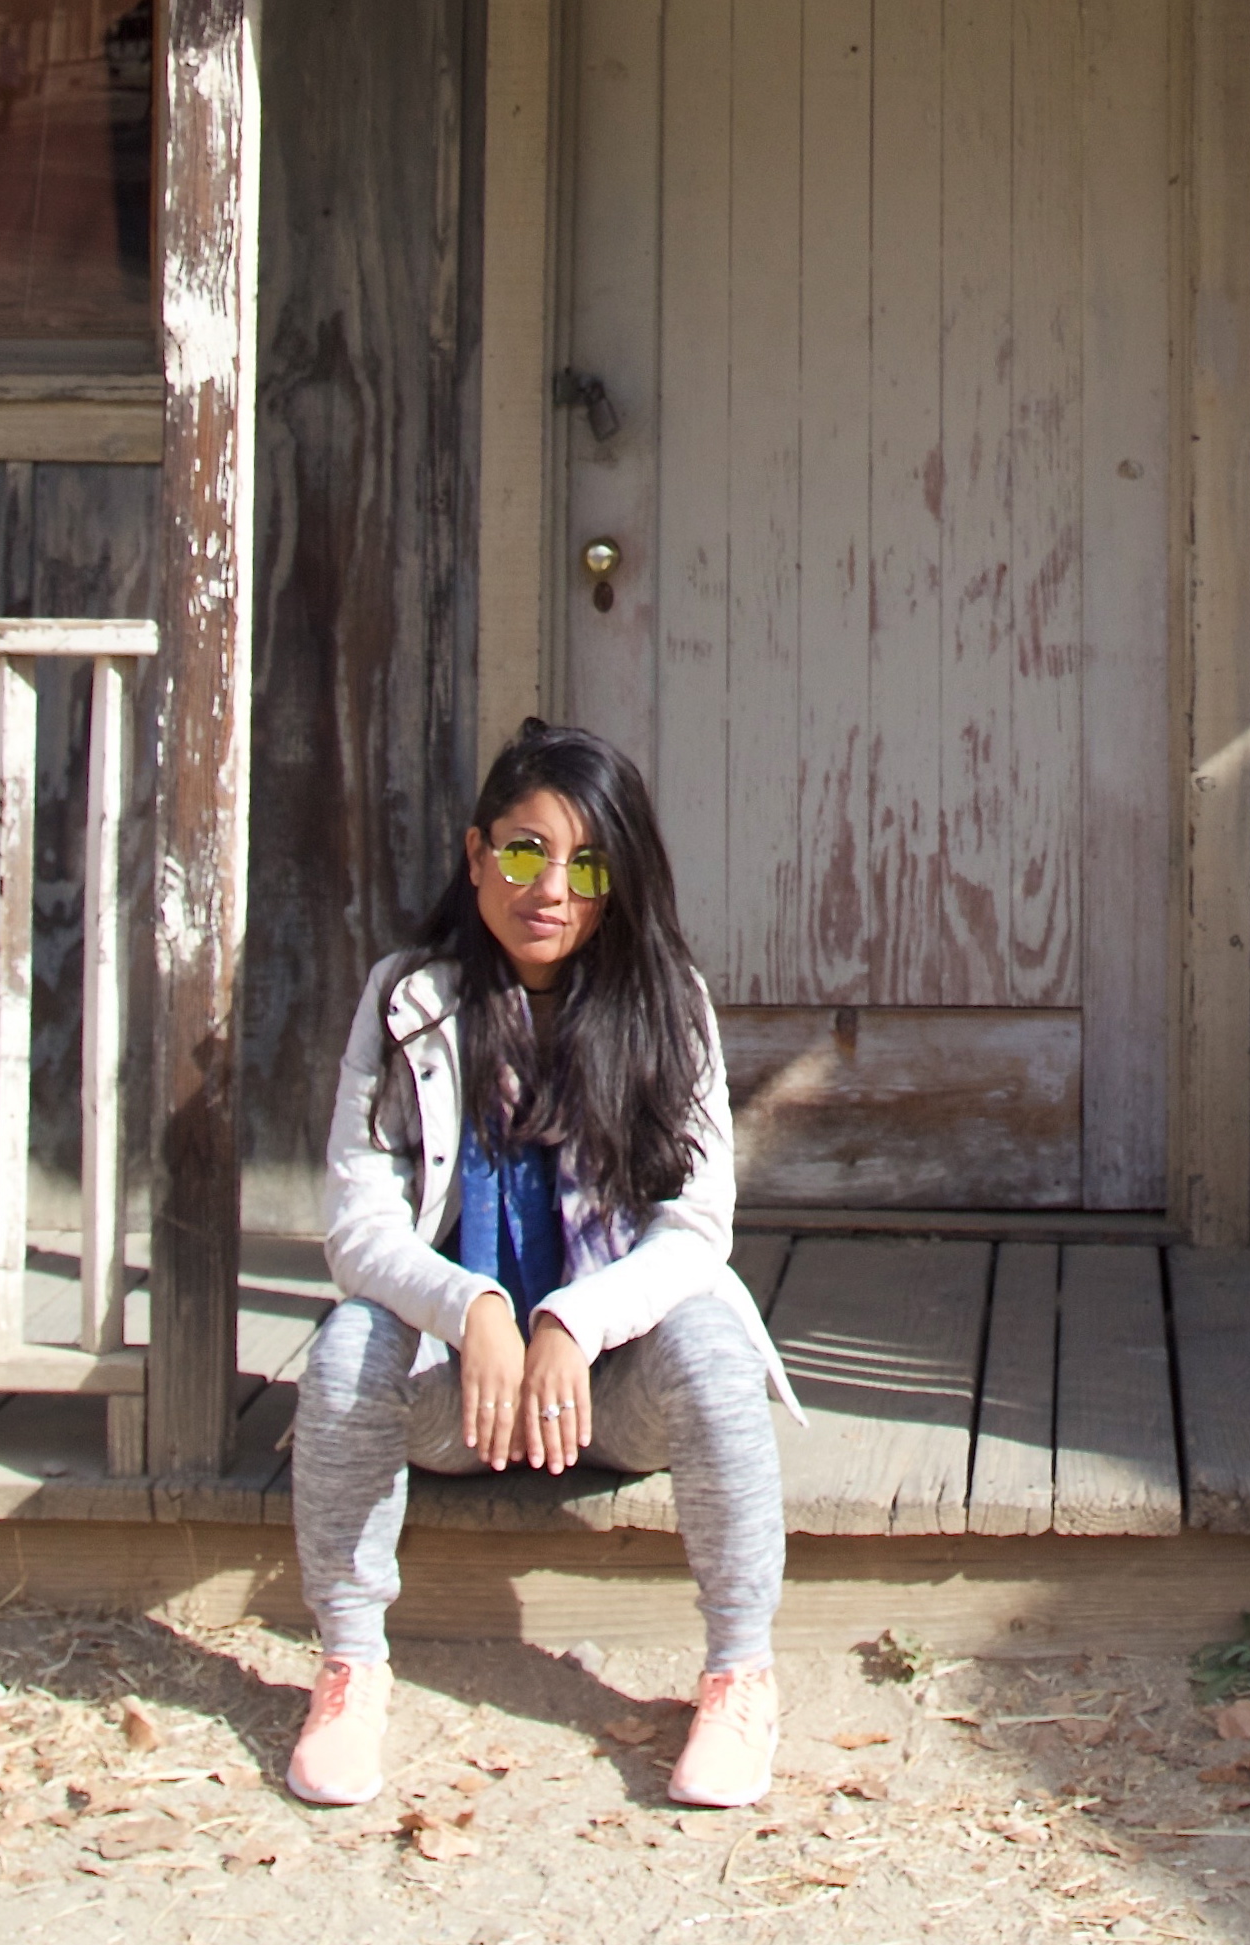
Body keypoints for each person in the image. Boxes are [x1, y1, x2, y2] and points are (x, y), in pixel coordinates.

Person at [283, 721, 798, 1812]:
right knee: (343, 1347)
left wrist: (572, 1321)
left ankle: (739, 1671)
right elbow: (356, 1227)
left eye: (586, 864)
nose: (549, 889)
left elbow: (696, 1226)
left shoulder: (669, 1003)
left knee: (711, 1336)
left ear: (620, 884)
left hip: (602, 1399)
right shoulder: (406, 998)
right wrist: (469, 1306)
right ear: (475, 856)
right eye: (523, 853)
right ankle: (350, 1664)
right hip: (454, 1395)